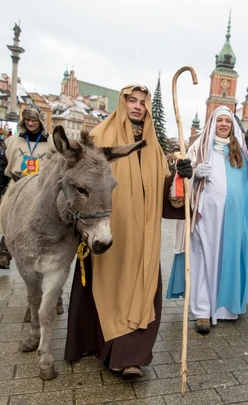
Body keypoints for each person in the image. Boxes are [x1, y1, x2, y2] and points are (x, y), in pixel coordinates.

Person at [64, 85, 192, 378]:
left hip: (144, 236)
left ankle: (129, 356)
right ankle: (99, 345)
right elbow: (77, 183)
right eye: (132, 100)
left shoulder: (154, 147)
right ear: (121, 103)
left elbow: (166, 194)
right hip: (107, 231)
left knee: (140, 288)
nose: (138, 106)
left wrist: (180, 178)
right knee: (107, 285)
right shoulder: (98, 138)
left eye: (143, 102)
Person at [166, 106, 248, 335]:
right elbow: (181, 177)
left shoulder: (240, 152)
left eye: (228, 121)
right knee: (202, 260)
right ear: (212, 122)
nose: (223, 124)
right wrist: (192, 173)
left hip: (230, 220)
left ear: (232, 126)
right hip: (203, 217)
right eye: (219, 120)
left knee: (226, 259)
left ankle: (224, 308)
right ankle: (202, 311)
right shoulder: (199, 148)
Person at [0, 106, 54, 270]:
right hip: (17, 184)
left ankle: (40, 258)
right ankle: (4, 255)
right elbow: (4, 164)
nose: (30, 123)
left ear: (40, 121)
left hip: (40, 187)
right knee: (9, 219)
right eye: (27, 119)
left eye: (34, 120)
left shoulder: (52, 142)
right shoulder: (14, 140)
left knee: (39, 222)